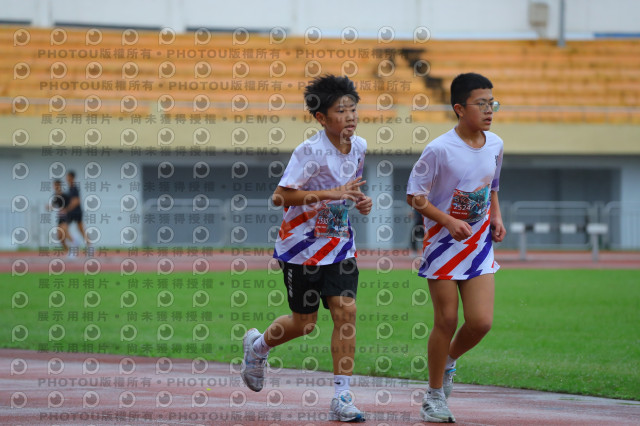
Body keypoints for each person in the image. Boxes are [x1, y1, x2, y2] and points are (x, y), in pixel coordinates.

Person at [241, 75, 372, 422]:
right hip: (301, 248)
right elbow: (280, 196)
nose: (350, 116)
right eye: (341, 111)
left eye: (353, 109)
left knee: (346, 311)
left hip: (340, 245)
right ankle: (258, 347)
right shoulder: (309, 152)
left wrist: (360, 200)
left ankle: (342, 397)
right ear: (321, 118)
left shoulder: (359, 146)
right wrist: (331, 194)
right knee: (305, 324)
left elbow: (349, 188)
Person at [406, 73, 506, 423]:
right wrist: (447, 221)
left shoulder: (496, 144)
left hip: (477, 245)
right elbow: (414, 196)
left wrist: (496, 216)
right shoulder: (439, 149)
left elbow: (492, 185)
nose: (489, 110)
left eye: (492, 103)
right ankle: (433, 396)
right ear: (460, 108)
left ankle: (448, 361)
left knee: (481, 323)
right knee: (447, 320)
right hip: (443, 246)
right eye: (482, 103)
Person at [61, 171, 89, 255]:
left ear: (72, 177)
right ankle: (74, 243)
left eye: (68, 177)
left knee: (80, 229)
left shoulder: (74, 188)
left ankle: (87, 245)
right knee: (64, 228)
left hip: (76, 212)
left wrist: (67, 209)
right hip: (71, 212)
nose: (66, 178)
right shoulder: (69, 189)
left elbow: (76, 201)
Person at [47, 179, 73, 253]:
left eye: (56, 185)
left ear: (60, 185)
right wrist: (49, 207)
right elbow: (53, 206)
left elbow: (71, 205)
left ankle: (75, 242)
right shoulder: (55, 196)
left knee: (65, 232)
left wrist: (66, 210)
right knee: (60, 237)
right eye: (54, 185)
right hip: (60, 217)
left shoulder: (65, 196)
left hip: (67, 216)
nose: (55, 187)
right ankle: (69, 251)